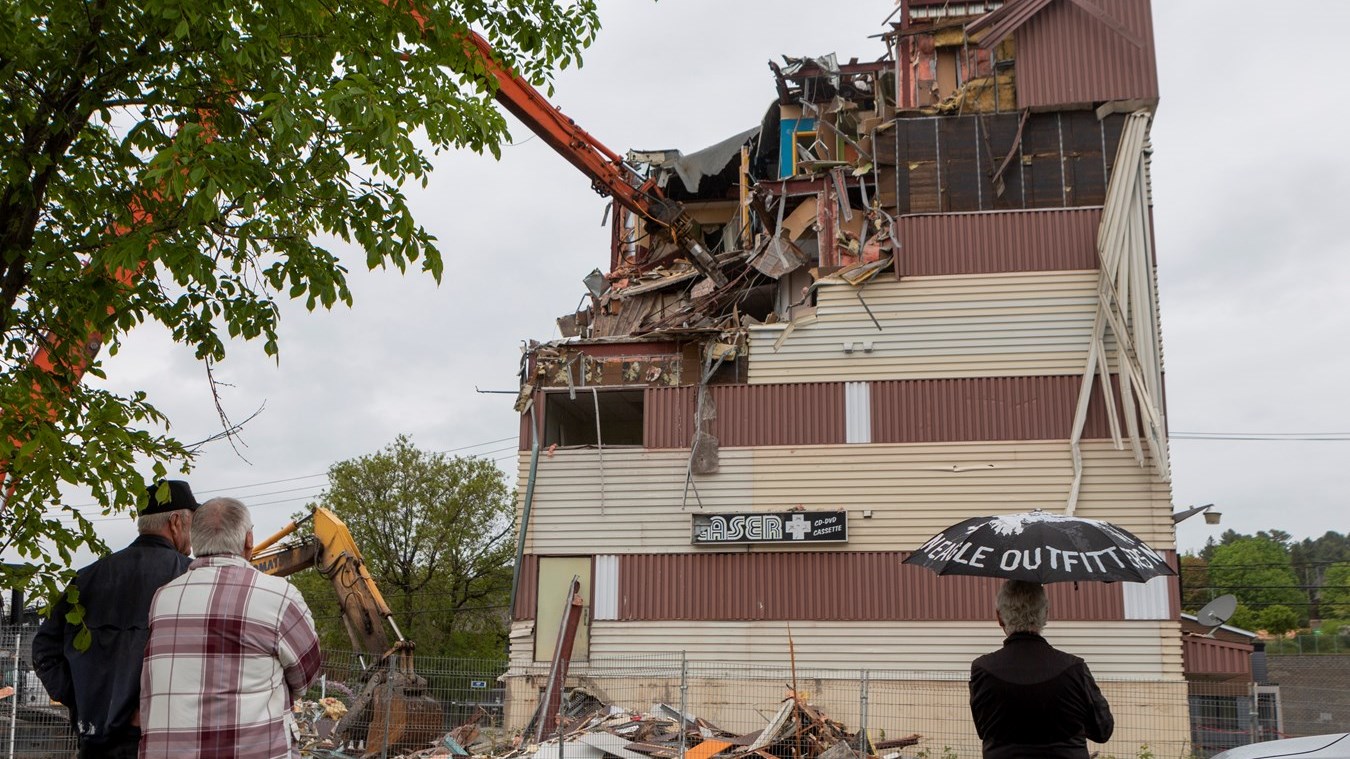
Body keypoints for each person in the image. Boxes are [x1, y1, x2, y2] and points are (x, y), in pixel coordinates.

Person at [139, 496, 322, 759]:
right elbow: (305, 676)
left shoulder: (163, 599)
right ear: (249, 539)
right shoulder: (280, 596)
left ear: (195, 538)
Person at [32, 479, 198, 759]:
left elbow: (44, 650)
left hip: (95, 741)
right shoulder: (190, 578)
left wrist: (84, 700)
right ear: (175, 522)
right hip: (163, 741)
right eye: (193, 523)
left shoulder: (87, 578)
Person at [969, 580, 1114, 759]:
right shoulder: (1074, 668)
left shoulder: (982, 671)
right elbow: (1103, 730)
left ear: (999, 617)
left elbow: (983, 731)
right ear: (1045, 614)